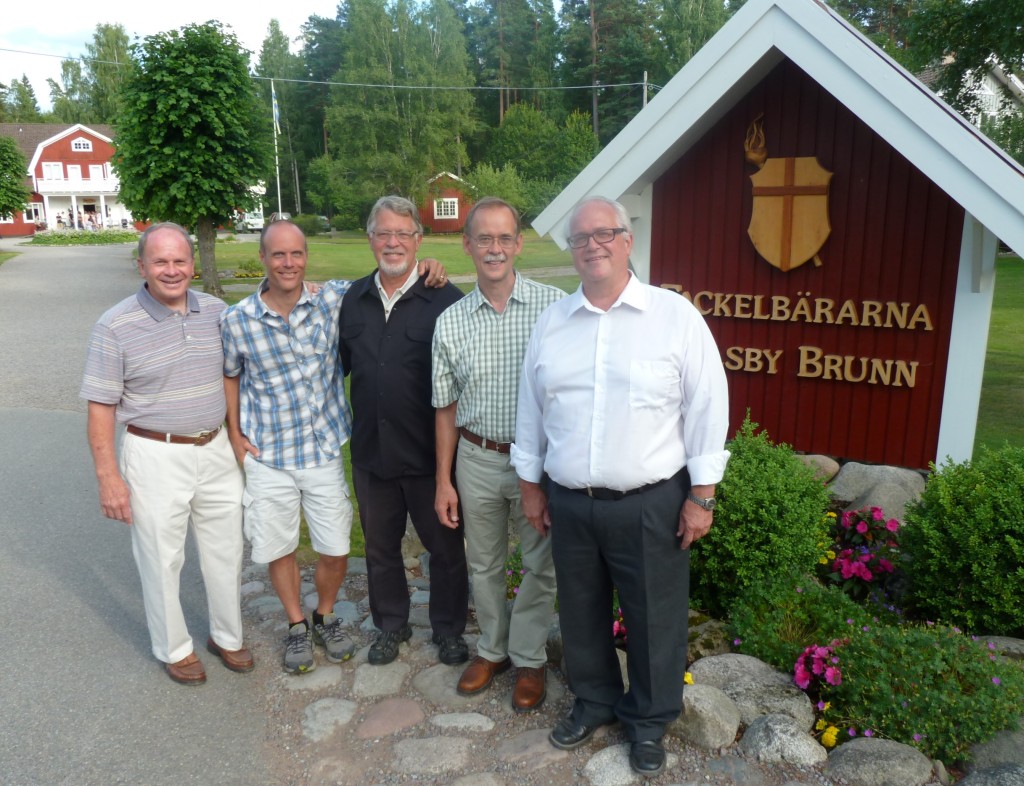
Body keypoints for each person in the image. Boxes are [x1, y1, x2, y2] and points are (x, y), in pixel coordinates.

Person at [511, 196, 731, 777]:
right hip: (571, 502)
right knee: (580, 610)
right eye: (581, 238)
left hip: (650, 504)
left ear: (628, 241)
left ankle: (650, 721)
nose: (593, 245)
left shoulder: (673, 317)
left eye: (605, 233)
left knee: (654, 617)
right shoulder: (553, 323)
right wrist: (530, 485)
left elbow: (708, 405)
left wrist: (702, 495)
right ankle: (595, 701)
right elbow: (531, 410)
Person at [221, 220, 446, 675]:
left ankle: (325, 614)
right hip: (269, 452)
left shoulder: (333, 298)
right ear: (263, 258)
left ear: (307, 258)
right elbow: (230, 374)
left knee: (335, 545)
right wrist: (235, 433)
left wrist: (429, 267)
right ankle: (297, 625)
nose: (288, 263)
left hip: (324, 449)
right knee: (279, 545)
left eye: (297, 254)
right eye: (278, 255)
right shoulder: (237, 319)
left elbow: (390, 275)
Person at [81, 221, 252, 686]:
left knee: (226, 550)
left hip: (214, 449)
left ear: (193, 265)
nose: (171, 270)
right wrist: (108, 477)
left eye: (180, 260)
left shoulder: (217, 311)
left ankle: (226, 636)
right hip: (154, 453)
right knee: (160, 557)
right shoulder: (114, 326)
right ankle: (174, 648)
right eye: (160, 261)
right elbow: (100, 408)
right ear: (142, 266)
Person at [432, 197, 565, 711]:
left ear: (518, 244)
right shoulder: (452, 321)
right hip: (477, 457)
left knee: (540, 565)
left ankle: (528, 657)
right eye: (483, 239)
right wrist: (444, 480)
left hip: (538, 462)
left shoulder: (554, 309)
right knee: (483, 562)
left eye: (503, 238)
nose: (494, 249)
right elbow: (443, 408)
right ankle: (492, 648)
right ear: (467, 245)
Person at [338, 195, 469, 667]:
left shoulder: (447, 300)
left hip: (431, 459)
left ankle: (449, 629)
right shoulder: (351, 298)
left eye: (403, 234)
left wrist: (447, 473)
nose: (392, 242)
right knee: (380, 549)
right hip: (373, 456)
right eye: (383, 233)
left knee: (446, 550)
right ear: (370, 239)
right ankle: (390, 625)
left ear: (418, 240)